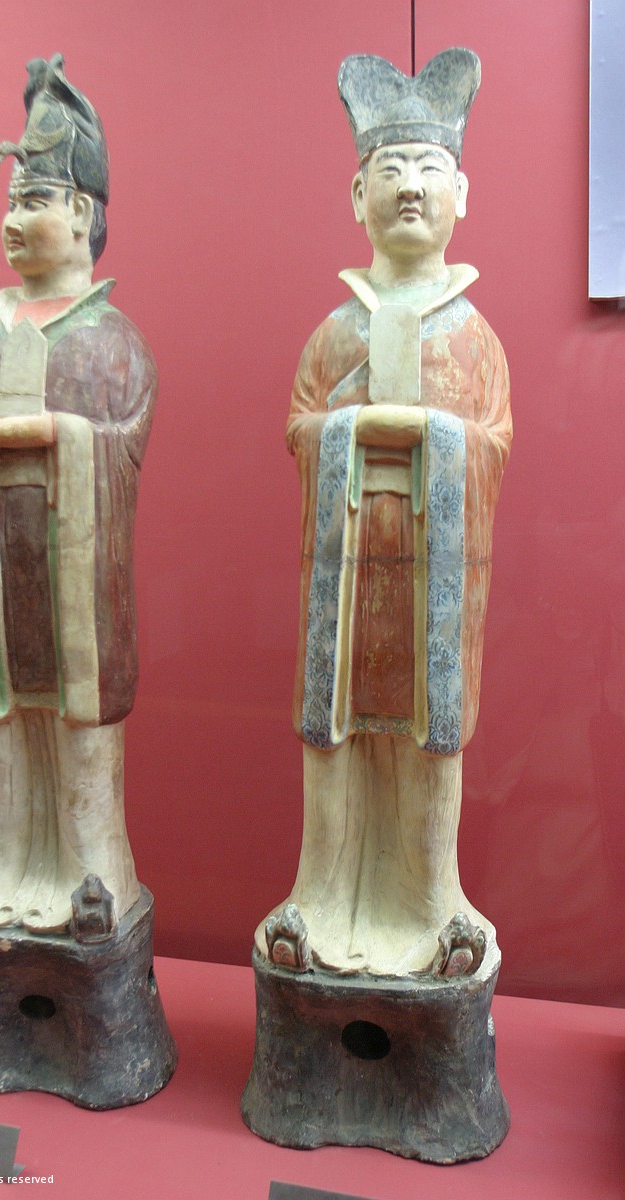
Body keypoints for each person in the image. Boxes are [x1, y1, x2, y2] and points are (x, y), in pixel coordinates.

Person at [256, 49, 512, 977]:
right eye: (390, 170)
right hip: (349, 566)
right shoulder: (335, 333)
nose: (410, 188)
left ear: (462, 193)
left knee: (428, 733)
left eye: (429, 169)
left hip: (436, 577)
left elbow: (494, 440)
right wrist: (351, 431)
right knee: (338, 731)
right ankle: (324, 893)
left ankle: (432, 898)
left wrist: (435, 436)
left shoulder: (474, 337)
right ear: (356, 193)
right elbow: (299, 428)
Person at [0, 55, 156, 935]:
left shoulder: (111, 341)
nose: (12, 221)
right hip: (2, 580)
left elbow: (123, 443)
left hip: (78, 591)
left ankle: (92, 876)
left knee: (79, 736)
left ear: (80, 213)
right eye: (10, 203)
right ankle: (6, 870)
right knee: (4, 727)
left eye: (32, 201)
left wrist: (59, 440)